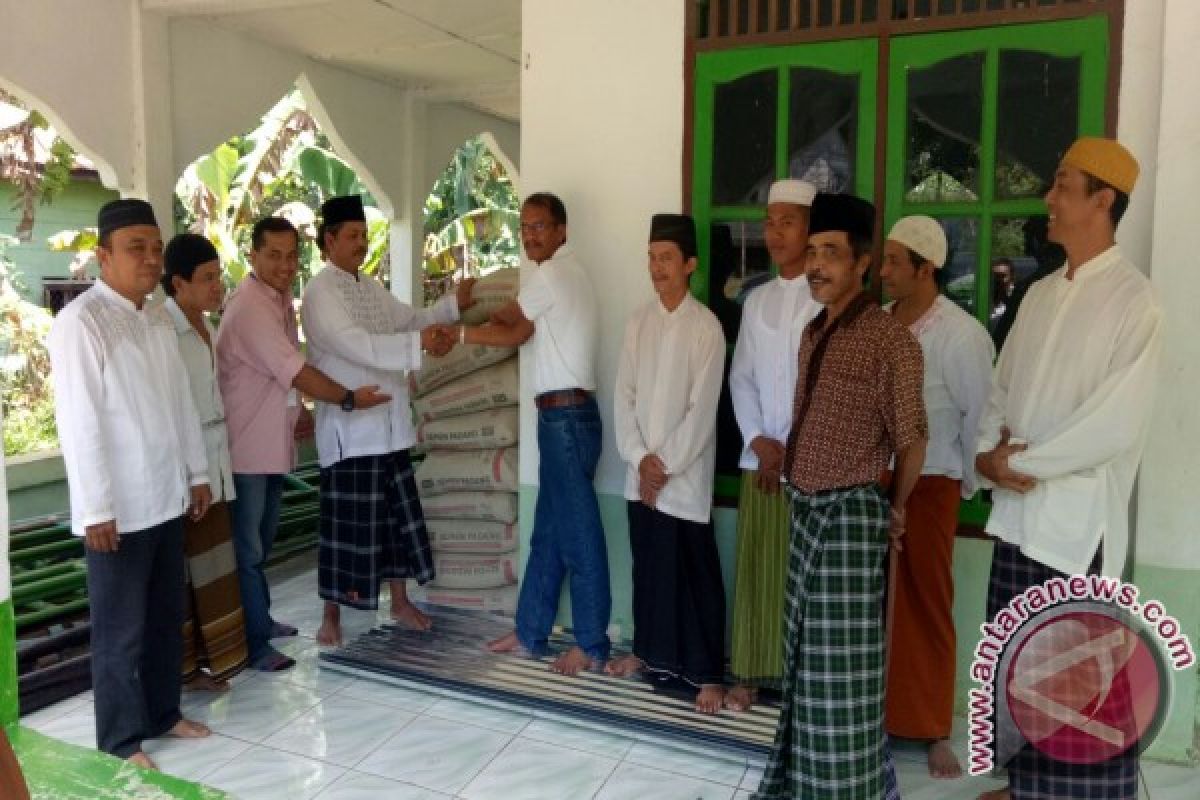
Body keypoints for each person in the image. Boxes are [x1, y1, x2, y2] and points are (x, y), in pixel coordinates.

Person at [974, 139, 1161, 800]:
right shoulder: (1041, 294)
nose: (1047, 200)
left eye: (1061, 185)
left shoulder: (1135, 301)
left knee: (1075, 685)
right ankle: (1026, 786)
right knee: (1018, 670)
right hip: (1021, 517)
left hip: (1077, 532)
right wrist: (988, 454)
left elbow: (1111, 424)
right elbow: (1001, 390)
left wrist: (1018, 461)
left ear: (1103, 199)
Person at [753, 193, 926, 800]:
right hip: (805, 511)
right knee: (802, 667)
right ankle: (801, 785)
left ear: (862, 263)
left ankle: (848, 790)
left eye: (833, 253)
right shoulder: (812, 331)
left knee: (839, 677)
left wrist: (894, 509)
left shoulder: (891, 340)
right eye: (815, 251)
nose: (818, 264)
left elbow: (913, 442)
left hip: (851, 518)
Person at [48, 198, 213, 769]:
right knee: (120, 633)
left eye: (154, 247)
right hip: (115, 509)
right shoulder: (81, 322)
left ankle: (162, 713)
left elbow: (181, 405)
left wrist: (196, 473)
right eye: (134, 247)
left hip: (164, 498)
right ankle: (120, 741)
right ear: (103, 256)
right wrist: (94, 507)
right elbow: (79, 421)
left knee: (166, 617)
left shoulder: (157, 318)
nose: (148, 258)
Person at [217, 216, 389, 671]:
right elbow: (295, 370)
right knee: (249, 551)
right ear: (252, 255)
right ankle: (254, 645)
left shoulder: (277, 299)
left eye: (291, 255)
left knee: (261, 543)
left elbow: (281, 379)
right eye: (273, 255)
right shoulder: (250, 307)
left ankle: (262, 621)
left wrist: (301, 413)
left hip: (270, 447)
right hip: (246, 451)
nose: (284, 264)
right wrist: (348, 398)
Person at [455, 193, 610, 677]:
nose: (530, 236)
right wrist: (481, 316)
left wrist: (458, 336)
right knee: (547, 534)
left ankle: (591, 643)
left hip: (565, 420)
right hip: (562, 419)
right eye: (524, 227)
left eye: (540, 227)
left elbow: (514, 332)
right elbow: (511, 317)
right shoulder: (561, 275)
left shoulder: (555, 273)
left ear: (562, 230)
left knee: (579, 539)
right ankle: (530, 631)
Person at [300, 195, 463, 647]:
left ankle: (401, 600)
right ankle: (330, 614)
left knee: (393, 520)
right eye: (351, 235)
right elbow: (358, 345)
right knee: (343, 528)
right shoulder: (320, 293)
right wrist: (419, 345)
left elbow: (407, 320)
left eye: (363, 235)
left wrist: (449, 310)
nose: (360, 243)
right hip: (351, 429)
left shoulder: (368, 286)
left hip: (387, 423)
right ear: (328, 240)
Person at [879, 215, 995, 778]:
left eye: (896, 261)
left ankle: (929, 728)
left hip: (934, 484)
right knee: (872, 603)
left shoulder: (961, 334)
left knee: (926, 603)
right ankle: (871, 715)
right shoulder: (877, 324)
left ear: (927, 269)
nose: (884, 271)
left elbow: (980, 417)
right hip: (876, 482)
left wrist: (965, 483)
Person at [606, 213, 727, 714]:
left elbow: (703, 411)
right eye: (651, 258)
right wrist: (639, 459)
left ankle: (706, 676)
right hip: (643, 477)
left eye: (667, 258)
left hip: (684, 478)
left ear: (690, 265)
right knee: (650, 570)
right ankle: (647, 655)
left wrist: (664, 466)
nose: (656, 267)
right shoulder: (639, 321)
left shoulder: (706, 327)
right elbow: (623, 396)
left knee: (693, 574)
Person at [726, 179, 820, 712]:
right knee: (759, 570)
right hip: (759, 457)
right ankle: (751, 675)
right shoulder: (756, 299)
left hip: (809, 463)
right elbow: (742, 378)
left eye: (788, 221)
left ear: (809, 230)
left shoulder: (825, 298)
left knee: (801, 575)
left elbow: (824, 384)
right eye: (770, 222)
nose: (776, 232)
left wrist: (792, 447)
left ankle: (800, 683)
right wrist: (759, 439)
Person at [161, 233, 249, 691]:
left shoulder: (205, 327)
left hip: (215, 461)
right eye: (207, 278)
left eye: (218, 276)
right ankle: (185, 672)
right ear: (178, 283)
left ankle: (210, 665)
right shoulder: (165, 331)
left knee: (213, 565)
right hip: (186, 470)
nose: (218, 287)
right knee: (185, 575)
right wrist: (192, 475)